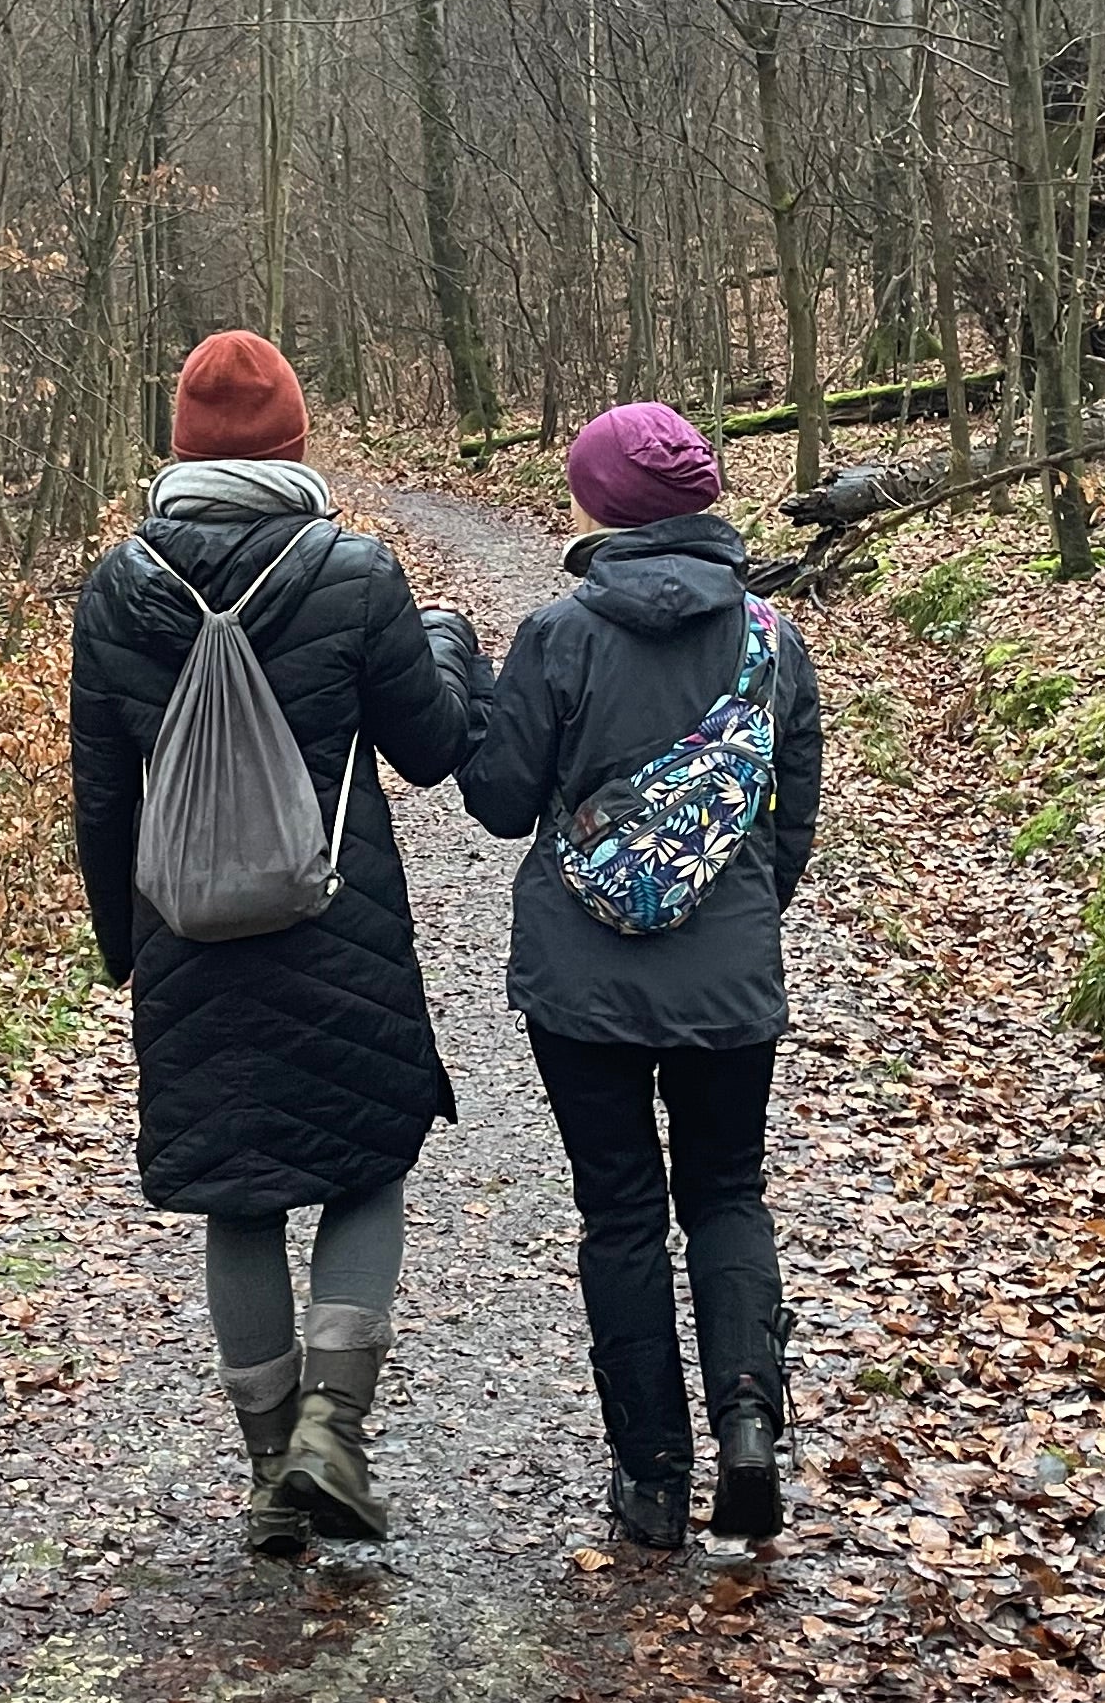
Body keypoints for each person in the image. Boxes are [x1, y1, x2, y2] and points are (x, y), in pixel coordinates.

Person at [70, 331, 488, 1553]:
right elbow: (430, 744)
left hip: (187, 937)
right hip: (335, 925)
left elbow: (102, 789)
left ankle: (268, 1476)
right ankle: (332, 1431)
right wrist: (450, 635)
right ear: (296, 447)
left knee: (235, 1199)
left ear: (183, 451)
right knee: (366, 1166)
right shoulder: (352, 573)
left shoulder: (118, 586)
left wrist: (124, 947)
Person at [459, 401, 823, 1548]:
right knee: (727, 1193)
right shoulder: (771, 638)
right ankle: (750, 1425)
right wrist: (739, 917)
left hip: (583, 985)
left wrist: (477, 692)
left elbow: (497, 800)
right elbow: (791, 819)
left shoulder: (557, 636)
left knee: (620, 1213)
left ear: (604, 507)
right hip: (728, 979)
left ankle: (652, 1481)